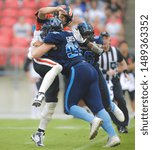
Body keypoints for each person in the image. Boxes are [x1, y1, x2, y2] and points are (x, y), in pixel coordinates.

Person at [31, 18, 120, 147]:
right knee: (98, 107)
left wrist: (40, 44)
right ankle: (113, 136)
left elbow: (35, 54)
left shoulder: (53, 37)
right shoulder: (69, 34)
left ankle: (92, 120)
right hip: (90, 69)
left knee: (69, 107)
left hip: (77, 70)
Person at [73, 22, 124, 122]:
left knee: (106, 100)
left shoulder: (96, 39)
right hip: (81, 73)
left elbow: (102, 49)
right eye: (85, 34)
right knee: (81, 101)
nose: (88, 36)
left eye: (89, 34)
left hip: (95, 71)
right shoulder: (74, 41)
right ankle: (94, 119)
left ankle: (111, 106)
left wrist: (85, 42)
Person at [99, 31, 129, 133]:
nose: (104, 40)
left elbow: (123, 62)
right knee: (108, 103)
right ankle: (119, 124)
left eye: (105, 38)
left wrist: (125, 71)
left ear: (109, 40)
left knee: (120, 99)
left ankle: (124, 124)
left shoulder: (115, 51)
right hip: (102, 81)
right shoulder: (97, 52)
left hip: (115, 80)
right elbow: (95, 67)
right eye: (102, 38)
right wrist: (105, 71)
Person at [119, 41, 135, 117]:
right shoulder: (119, 56)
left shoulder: (131, 56)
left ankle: (135, 112)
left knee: (133, 96)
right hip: (122, 78)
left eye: (125, 46)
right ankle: (121, 113)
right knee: (121, 96)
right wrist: (128, 67)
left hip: (130, 77)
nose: (124, 48)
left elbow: (134, 65)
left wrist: (125, 67)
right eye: (123, 46)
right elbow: (118, 68)